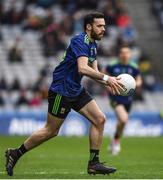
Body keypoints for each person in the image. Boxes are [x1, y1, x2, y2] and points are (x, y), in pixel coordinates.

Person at [5, 12, 123, 176]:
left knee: (100, 119)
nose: (104, 29)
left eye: (104, 25)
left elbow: (94, 72)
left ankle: (93, 163)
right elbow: (83, 68)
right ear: (89, 27)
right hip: (61, 90)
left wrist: (112, 82)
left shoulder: (93, 44)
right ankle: (15, 153)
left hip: (75, 88)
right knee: (51, 131)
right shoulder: (79, 41)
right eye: (100, 26)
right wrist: (107, 78)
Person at [105, 46, 142, 155]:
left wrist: (134, 84)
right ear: (119, 54)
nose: (124, 54)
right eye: (122, 52)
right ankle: (116, 142)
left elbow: (139, 80)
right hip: (115, 97)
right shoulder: (112, 66)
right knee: (124, 119)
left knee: (122, 122)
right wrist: (109, 88)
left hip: (128, 98)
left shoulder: (134, 67)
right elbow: (104, 77)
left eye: (127, 53)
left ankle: (114, 139)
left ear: (130, 55)